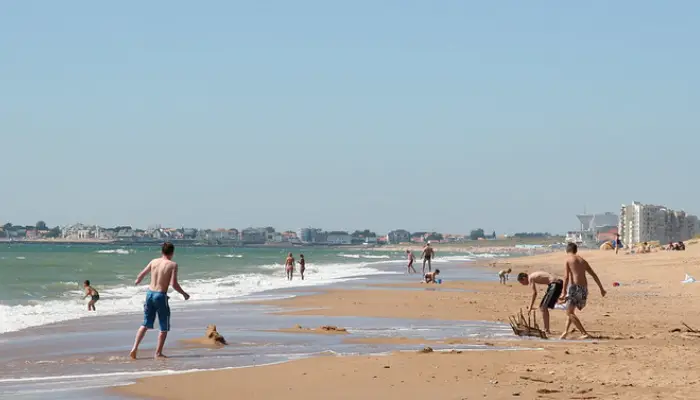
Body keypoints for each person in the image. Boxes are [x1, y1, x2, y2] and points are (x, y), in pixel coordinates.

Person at [129, 242, 190, 360]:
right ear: (172, 253)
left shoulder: (153, 261)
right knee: (164, 326)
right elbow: (174, 284)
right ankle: (158, 353)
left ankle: (134, 348)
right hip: (160, 296)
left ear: (162, 252)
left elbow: (141, 274)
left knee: (145, 324)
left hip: (149, 294)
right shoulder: (172, 265)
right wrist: (184, 294)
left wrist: (137, 281)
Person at [560, 242, 606, 340]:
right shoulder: (582, 260)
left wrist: (564, 292)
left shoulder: (568, 259)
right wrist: (601, 289)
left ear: (567, 250)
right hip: (584, 289)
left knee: (569, 312)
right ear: (576, 250)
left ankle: (584, 333)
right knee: (571, 310)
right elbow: (594, 275)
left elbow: (566, 277)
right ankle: (565, 332)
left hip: (575, 288)